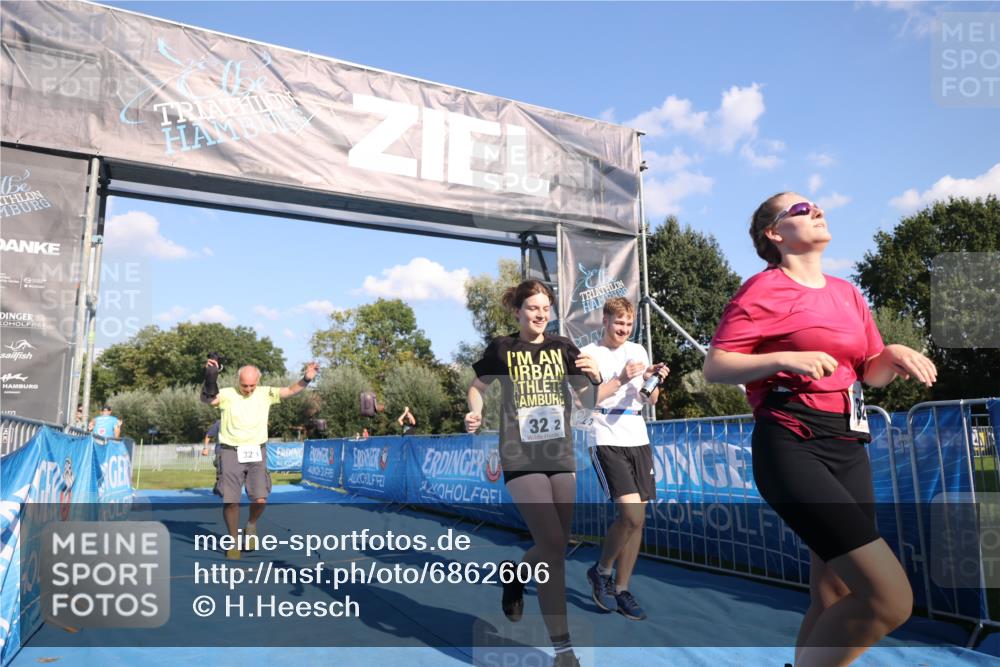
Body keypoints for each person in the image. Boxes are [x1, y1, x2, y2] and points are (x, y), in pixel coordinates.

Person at [703, 192, 937, 667]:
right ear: (775, 233)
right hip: (791, 442)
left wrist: (890, 355)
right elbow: (716, 366)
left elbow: (868, 370)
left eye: (815, 204)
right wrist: (785, 358)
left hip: (848, 444)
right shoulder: (762, 290)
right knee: (889, 598)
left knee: (835, 589)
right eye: (800, 209)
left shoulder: (847, 292)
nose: (815, 210)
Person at [464, 279, 601, 667]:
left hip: (560, 454)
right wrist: (475, 410)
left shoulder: (563, 347)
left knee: (555, 547)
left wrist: (594, 378)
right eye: (533, 308)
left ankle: (515, 571)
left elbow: (587, 401)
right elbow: (478, 386)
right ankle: (564, 651)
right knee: (554, 544)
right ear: (517, 311)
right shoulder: (503, 348)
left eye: (546, 308)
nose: (540, 314)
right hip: (519, 454)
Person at [580, 297, 669, 621]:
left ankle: (621, 589)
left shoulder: (639, 351)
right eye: (618, 323)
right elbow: (585, 399)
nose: (623, 329)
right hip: (605, 434)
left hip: (637, 433)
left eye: (628, 324)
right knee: (630, 515)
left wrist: (654, 378)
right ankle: (601, 570)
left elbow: (649, 398)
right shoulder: (590, 354)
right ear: (604, 320)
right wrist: (619, 378)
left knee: (639, 520)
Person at [201, 356, 319, 560]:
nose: (248, 389)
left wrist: (307, 378)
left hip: (256, 451)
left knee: (261, 498)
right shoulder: (228, 394)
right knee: (231, 501)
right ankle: (233, 541)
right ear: (238, 381)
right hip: (230, 451)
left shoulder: (266, 393)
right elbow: (208, 399)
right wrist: (210, 376)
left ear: (258, 381)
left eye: (252, 385)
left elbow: (290, 390)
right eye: (244, 385)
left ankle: (251, 525)